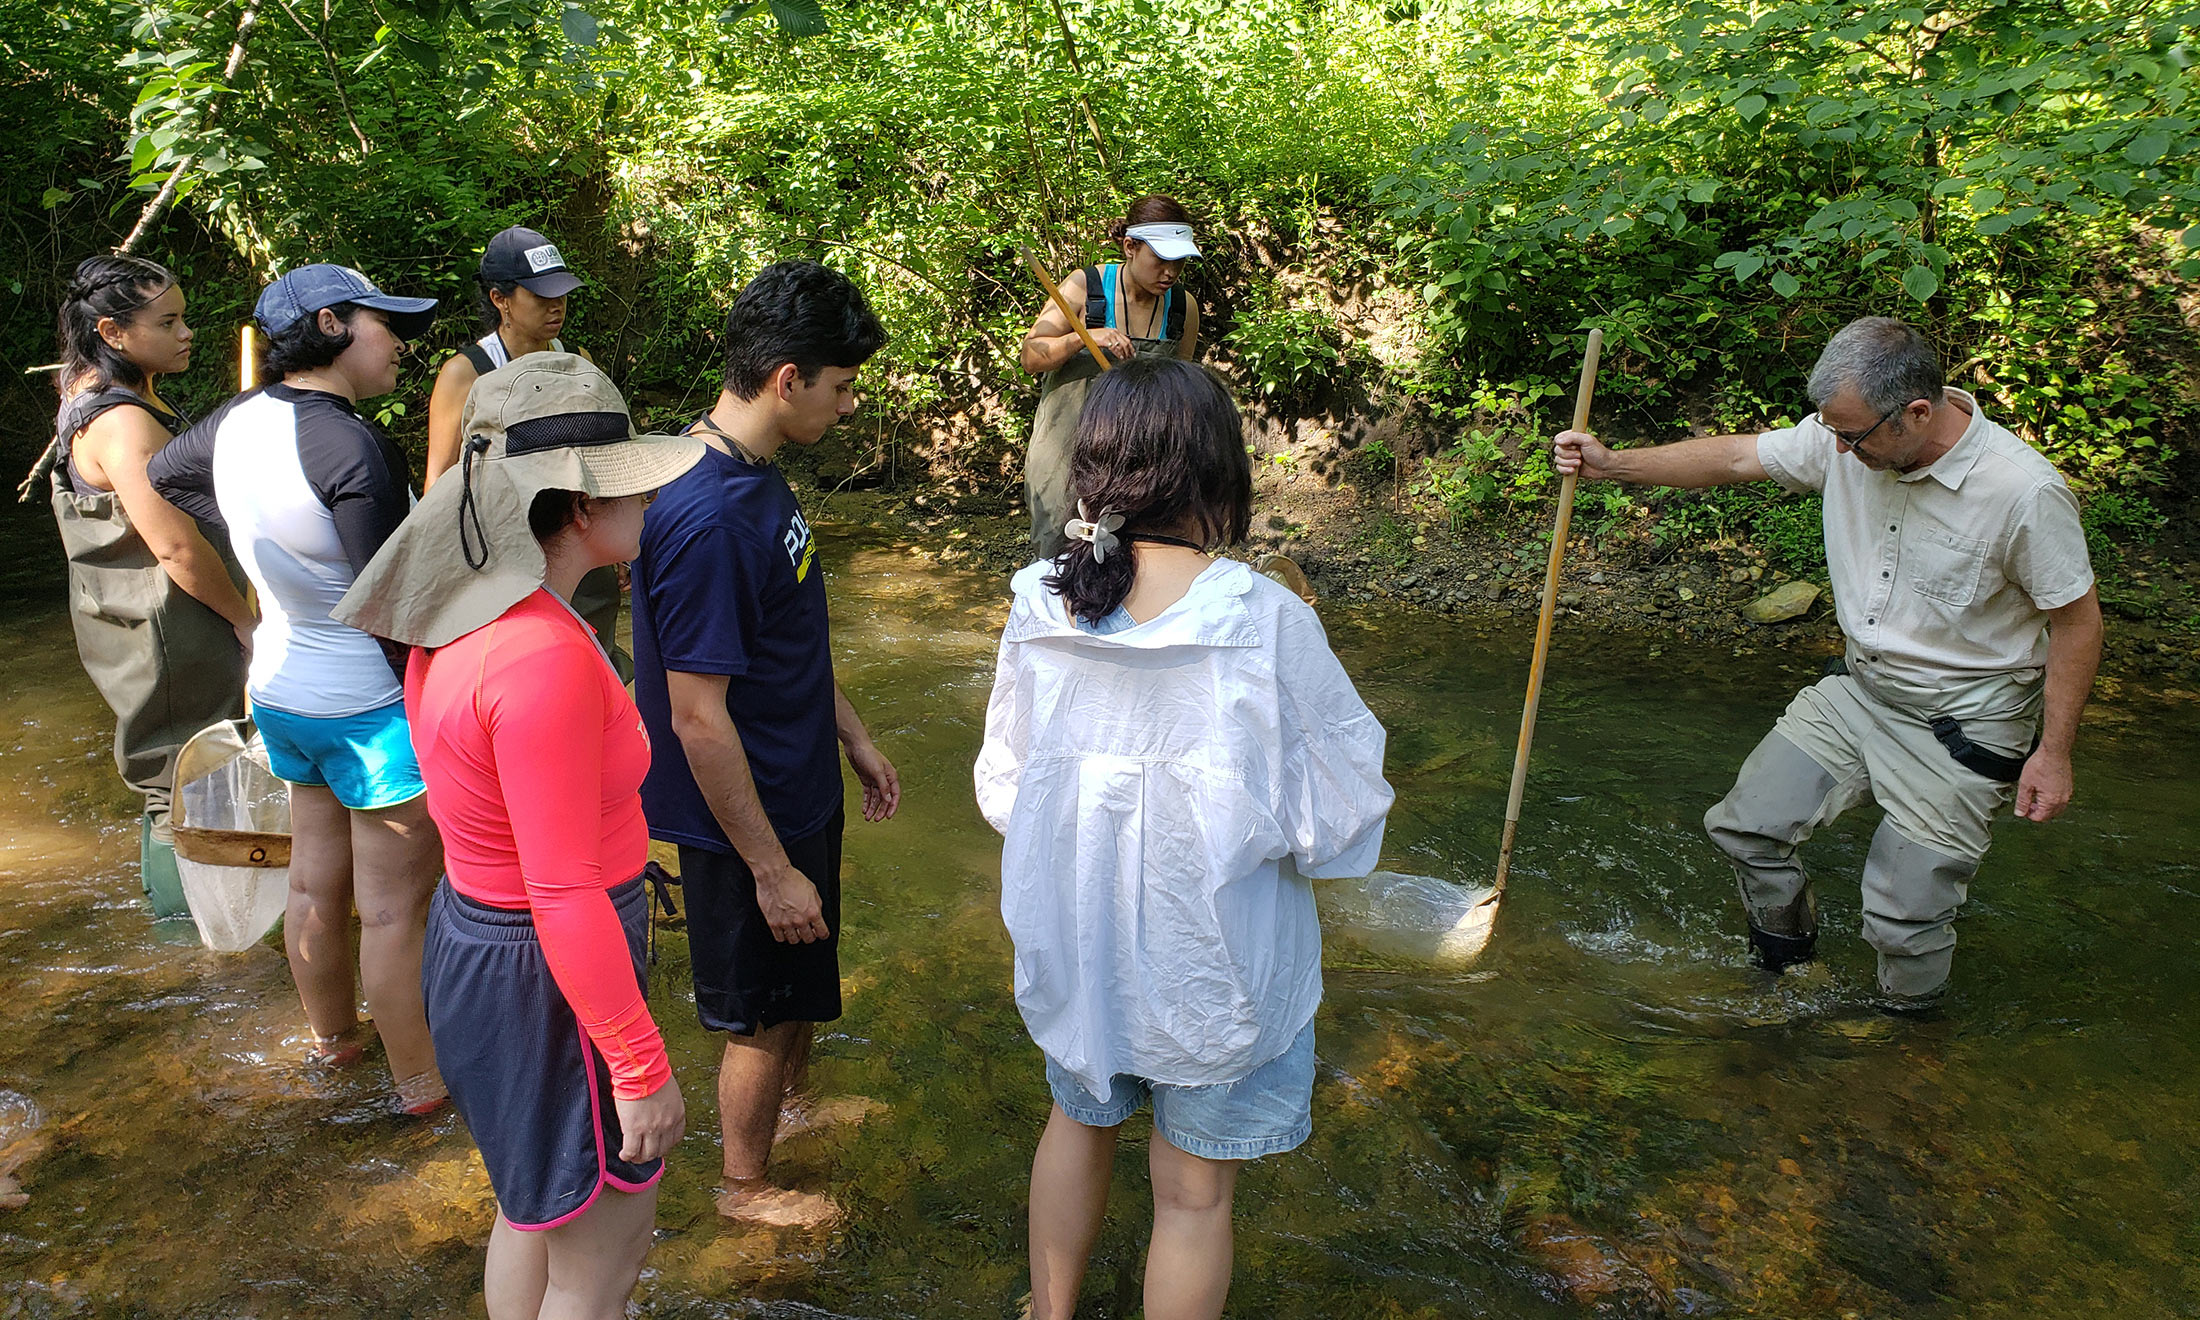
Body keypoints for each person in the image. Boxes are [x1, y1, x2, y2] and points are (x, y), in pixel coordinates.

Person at [975, 357, 1393, 1320]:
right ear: (1218, 473)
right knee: (1193, 1194)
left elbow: (1008, 783)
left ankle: (1050, 1312)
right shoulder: (1263, 615)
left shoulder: (1042, 598)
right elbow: (1341, 808)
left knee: (1077, 1122)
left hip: (1079, 932)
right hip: (1220, 956)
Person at [1552, 316, 2103, 1005]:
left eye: (1851, 436)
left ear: (1917, 413)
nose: (1836, 451)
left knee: (1903, 920)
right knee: (1745, 828)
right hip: (1860, 694)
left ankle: (1906, 1044)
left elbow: (2076, 622)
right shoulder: (1854, 435)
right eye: (1831, 433)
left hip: (1962, 728)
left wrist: (2054, 752)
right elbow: (1735, 459)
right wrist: (1615, 464)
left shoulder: (2023, 492)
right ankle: (1787, 976)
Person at [333, 353, 701, 1319]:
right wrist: (639, 1065)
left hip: (482, 947)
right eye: (633, 484)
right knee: (599, 1270)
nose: (652, 503)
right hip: (546, 972)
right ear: (579, 506)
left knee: (531, 1213)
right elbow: (564, 892)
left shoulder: (463, 612)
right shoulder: (540, 657)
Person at [629, 260, 901, 1228]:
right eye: (841, 385)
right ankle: (744, 1188)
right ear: (787, 378)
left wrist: (855, 740)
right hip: (744, 818)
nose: (851, 402)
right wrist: (769, 867)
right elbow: (695, 716)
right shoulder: (703, 517)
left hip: (797, 781)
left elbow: (789, 637)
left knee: (798, 986)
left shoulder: (756, 475)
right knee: (755, 1010)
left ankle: (791, 1106)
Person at [149, 264, 450, 1105]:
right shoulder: (353, 445)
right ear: (329, 325)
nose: (399, 340)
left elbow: (167, 475)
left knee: (315, 883)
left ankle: (333, 1046)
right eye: (382, 321)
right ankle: (421, 1086)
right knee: (394, 911)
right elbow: (392, 601)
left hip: (281, 685)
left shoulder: (238, 420)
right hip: (368, 704)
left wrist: (258, 532)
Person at [44, 255, 253, 913]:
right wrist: (249, 625)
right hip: (165, 630)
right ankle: (192, 932)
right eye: (168, 322)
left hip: (145, 625)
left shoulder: (94, 391)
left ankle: (199, 928)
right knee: (185, 773)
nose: (187, 332)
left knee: (188, 771)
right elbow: (175, 547)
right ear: (112, 333)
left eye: (184, 317)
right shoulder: (121, 422)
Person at [422, 227, 628, 674]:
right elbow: (439, 481)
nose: (556, 307)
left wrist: (625, 544)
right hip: (503, 560)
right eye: (540, 296)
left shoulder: (578, 360)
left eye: (562, 295)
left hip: (580, 547)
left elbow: (601, 459)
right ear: (500, 299)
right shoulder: (465, 374)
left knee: (594, 666)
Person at [1019, 195, 1204, 559]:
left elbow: (1182, 391)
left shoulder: (1184, 307)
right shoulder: (1083, 287)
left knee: (1135, 553)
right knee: (1061, 549)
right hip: (1066, 452)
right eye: (1162, 260)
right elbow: (1031, 356)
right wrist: (1083, 338)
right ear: (1130, 247)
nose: (1171, 272)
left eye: (1179, 261)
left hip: (1139, 457)